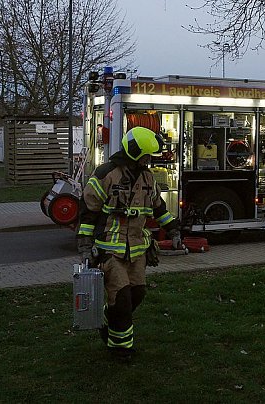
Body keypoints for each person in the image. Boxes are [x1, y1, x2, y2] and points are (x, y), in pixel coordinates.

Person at [77, 126, 181, 360]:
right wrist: (84, 246)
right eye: (146, 155)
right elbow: (88, 213)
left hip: (137, 250)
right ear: (135, 153)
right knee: (122, 298)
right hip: (109, 250)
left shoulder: (147, 178)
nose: (149, 160)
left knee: (138, 294)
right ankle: (120, 348)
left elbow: (159, 209)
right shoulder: (105, 175)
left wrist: (173, 230)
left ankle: (109, 318)